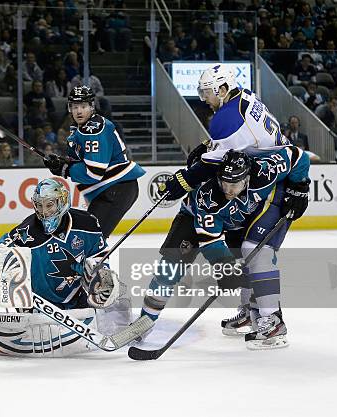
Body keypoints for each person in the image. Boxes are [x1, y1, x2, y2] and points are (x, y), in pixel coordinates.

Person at [140, 148, 310, 349]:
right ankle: (145, 322)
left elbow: (298, 156)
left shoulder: (264, 171)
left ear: (246, 179)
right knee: (171, 266)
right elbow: (210, 239)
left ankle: (265, 319)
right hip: (207, 219)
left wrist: (299, 188)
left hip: (251, 217)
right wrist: (225, 269)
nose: (229, 190)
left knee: (254, 255)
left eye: (234, 184)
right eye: (225, 183)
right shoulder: (207, 197)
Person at [0, 179, 121, 356]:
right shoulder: (26, 233)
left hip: (79, 302)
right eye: (39, 206)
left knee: (106, 279)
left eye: (49, 205)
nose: (44, 212)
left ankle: (100, 318)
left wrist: (101, 277)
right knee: (12, 260)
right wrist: (7, 274)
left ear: (62, 202)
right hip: (40, 307)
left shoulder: (88, 223)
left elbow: (99, 257)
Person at [159, 64, 291, 201]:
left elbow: (211, 165)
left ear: (222, 90)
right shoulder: (245, 94)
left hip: (271, 175)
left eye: (207, 92)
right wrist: (208, 146)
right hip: (283, 159)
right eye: (202, 93)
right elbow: (244, 136)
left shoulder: (225, 117)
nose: (204, 99)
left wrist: (184, 181)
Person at [43, 86, 145, 238]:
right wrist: (61, 162)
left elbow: (94, 172)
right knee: (88, 238)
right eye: (75, 106)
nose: (78, 111)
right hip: (109, 189)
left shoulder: (94, 128)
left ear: (91, 106)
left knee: (91, 239)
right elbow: (79, 161)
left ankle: (99, 262)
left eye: (83, 106)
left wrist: (65, 169)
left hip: (116, 188)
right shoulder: (79, 128)